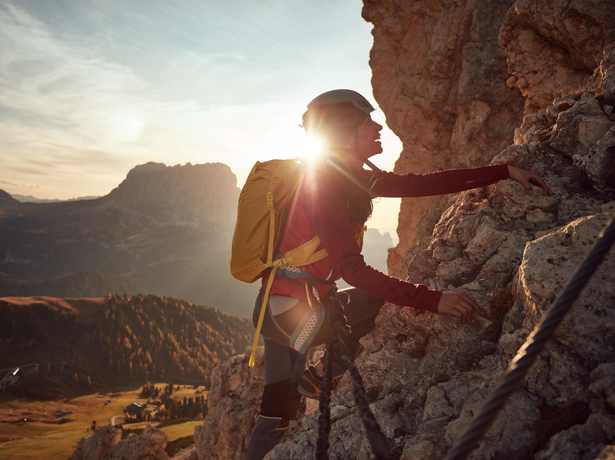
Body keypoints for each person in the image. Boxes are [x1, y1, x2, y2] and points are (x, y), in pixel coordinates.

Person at [245, 89, 550, 460]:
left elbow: (424, 184)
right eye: (367, 123)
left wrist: (502, 172)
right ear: (343, 133)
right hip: (294, 316)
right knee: (282, 403)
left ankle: (303, 388)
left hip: (284, 307)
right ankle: (314, 377)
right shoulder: (326, 185)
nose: (378, 128)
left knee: (277, 405)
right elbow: (353, 271)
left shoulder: (350, 177)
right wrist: (433, 300)